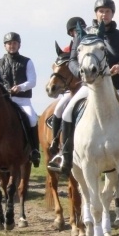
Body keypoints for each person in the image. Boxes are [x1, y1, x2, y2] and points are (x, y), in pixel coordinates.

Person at [48, 0, 119, 177]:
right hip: (90, 87)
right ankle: (64, 156)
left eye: (107, 11)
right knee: (66, 113)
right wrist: (80, 71)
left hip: (118, 87)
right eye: (101, 11)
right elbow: (72, 61)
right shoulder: (82, 35)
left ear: (112, 14)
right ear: (95, 13)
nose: (104, 14)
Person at [0, 33, 41, 167]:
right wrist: (3, 89)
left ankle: (34, 151)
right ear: (5, 46)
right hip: (4, 101)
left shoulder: (27, 61)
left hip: (22, 100)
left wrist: (20, 87)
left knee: (32, 119)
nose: (12, 46)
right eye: (9, 43)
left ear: (19, 45)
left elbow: (32, 81)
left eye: (14, 43)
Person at [48, 17, 85, 155]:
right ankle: (55, 141)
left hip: (87, 86)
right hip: (72, 89)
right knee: (58, 109)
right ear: (70, 33)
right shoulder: (66, 50)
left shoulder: (89, 44)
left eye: (80, 29)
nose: (77, 32)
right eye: (74, 31)